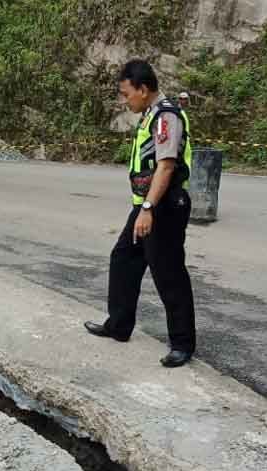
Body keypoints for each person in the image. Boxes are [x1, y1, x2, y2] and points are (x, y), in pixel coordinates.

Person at [85, 60, 197, 368]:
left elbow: (166, 165)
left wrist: (148, 208)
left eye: (126, 94)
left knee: (169, 273)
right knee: (123, 259)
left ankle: (182, 344)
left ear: (143, 89)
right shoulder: (150, 114)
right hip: (147, 205)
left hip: (162, 206)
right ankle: (119, 325)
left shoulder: (166, 117)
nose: (124, 100)